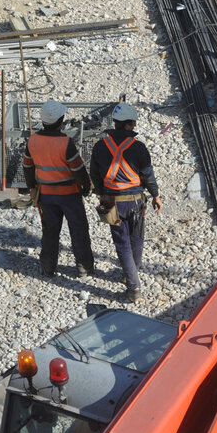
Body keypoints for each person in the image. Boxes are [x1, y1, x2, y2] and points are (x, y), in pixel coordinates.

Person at [90, 103, 163, 303]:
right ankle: (132, 280)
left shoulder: (100, 146)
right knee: (136, 238)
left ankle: (132, 282)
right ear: (131, 124)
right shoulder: (138, 147)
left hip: (110, 200)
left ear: (116, 123)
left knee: (121, 242)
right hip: (136, 201)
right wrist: (155, 195)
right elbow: (147, 174)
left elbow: (94, 175)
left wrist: (100, 193)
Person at [22, 100, 94, 277]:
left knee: (50, 232)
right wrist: (86, 186)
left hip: (46, 195)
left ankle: (48, 267)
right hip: (69, 195)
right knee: (78, 230)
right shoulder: (65, 143)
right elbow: (78, 169)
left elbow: (27, 166)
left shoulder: (33, 140)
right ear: (61, 121)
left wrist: (32, 186)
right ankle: (83, 266)